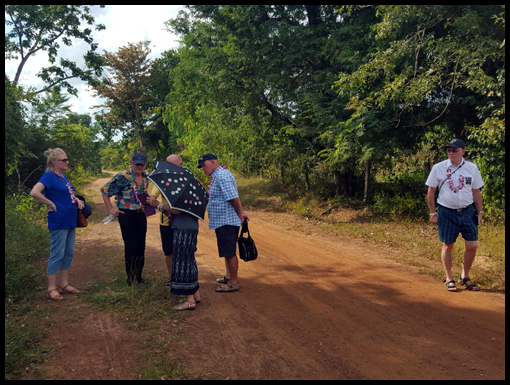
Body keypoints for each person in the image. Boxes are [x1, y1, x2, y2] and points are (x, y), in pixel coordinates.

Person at [426, 139, 484, 292]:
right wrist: (432, 212)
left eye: (454, 150)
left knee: (472, 245)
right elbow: (431, 191)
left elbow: (476, 192)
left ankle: (464, 276)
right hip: (446, 212)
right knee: (448, 245)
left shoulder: (472, 168)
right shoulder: (439, 168)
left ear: (462, 152)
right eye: (449, 150)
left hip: (467, 211)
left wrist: (480, 211)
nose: (451, 153)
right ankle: (449, 277)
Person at [147, 161, 202, 311]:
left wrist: (157, 204)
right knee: (189, 260)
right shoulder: (189, 185)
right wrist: (159, 207)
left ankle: (189, 300)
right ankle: (195, 294)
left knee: (183, 262)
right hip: (188, 226)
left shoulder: (181, 187)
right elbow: (174, 212)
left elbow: (177, 210)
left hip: (183, 229)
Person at [30, 148, 85, 300]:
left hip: (70, 219)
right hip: (58, 220)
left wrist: (78, 200)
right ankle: (51, 288)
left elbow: (68, 193)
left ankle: (64, 284)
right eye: (64, 160)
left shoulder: (62, 177)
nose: (67, 162)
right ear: (54, 162)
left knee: (68, 252)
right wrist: (50, 203)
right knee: (57, 253)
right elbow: (34, 192)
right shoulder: (49, 176)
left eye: (67, 159)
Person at [197, 153, 249, 293]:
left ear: (213, 162)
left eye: (204, 164)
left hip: (227, 220)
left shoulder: (222, 176)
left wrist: (240, 214)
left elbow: (234, 198)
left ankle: (234, 282)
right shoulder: (217, 176)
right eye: (201, 166)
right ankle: (228, 276)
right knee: (227, 251)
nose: (202, 168)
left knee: (230, 252)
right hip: (222, 220)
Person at [100, 153, 150, 286]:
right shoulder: (122, 176)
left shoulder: (147, 176)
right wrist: (111, 208)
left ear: (145, 164)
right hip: (126, 214)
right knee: (131, 247)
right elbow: (104, 190)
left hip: (140, 214)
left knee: (141, 247)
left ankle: (139, 277)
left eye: (142, 164)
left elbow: (146, 194)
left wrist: (148, 205)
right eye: (137, 163)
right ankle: (130, 279)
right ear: (132, 163)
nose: (139, 166)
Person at [147, 154, 182, 288]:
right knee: (169, 252)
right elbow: (152, 197)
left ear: (180, 165)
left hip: (182, 221)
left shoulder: (187, 178)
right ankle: (172, 278)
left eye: (171, 165)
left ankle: (185, 278)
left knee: (183, 251)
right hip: (166, 221)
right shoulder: (162, 179)